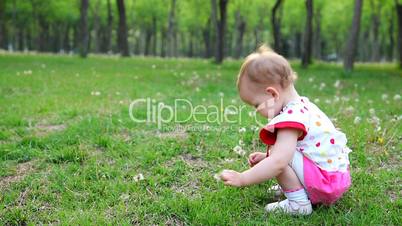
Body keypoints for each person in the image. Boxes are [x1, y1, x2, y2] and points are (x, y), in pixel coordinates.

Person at [219, 45, 352, 215]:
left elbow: (278, 162)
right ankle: (296, 186)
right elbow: (304, 149)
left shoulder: (291, 118)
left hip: (324, 184)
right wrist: (265, 157)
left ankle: (299, 203)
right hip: (334, 178)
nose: (256, 111)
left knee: (278, 153)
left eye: (256, 105)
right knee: (278, 152)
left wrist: (243, 178)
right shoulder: (304, 106)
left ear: (272, 94)